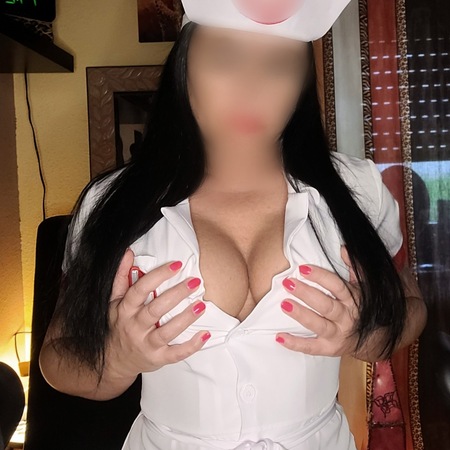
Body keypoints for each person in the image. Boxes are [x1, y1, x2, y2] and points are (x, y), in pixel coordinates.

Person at [39, 0, 428, 448]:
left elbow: (412, 307)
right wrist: (118, 358)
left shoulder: (357, 190)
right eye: (226, 58)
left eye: (278, 65)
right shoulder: (111, 203)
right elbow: (56, 359)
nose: (251, 89)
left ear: (302, 81)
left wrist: (369, 334)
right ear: (185, 65)